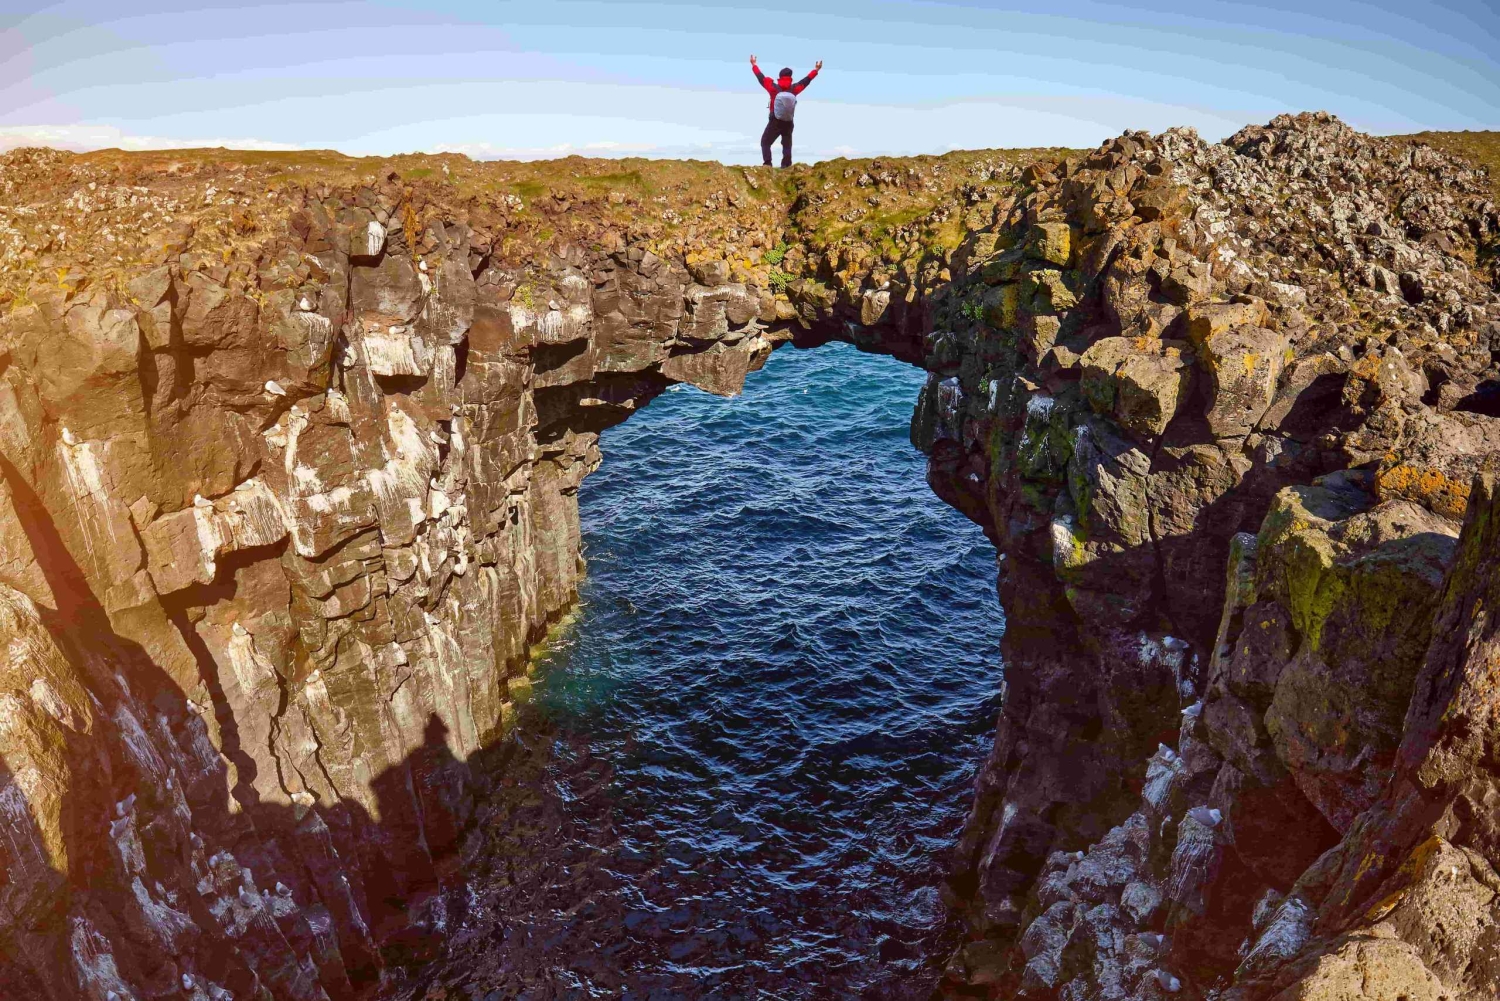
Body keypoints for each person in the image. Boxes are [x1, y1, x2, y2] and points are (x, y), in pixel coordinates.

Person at [751, 55, 822, 168]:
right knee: (787, 144)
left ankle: (767, 164)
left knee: (765, 142)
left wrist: (754, 64)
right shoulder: (794, 88)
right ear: (790, 77)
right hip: (788, 121)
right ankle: (787, 165)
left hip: (775, 120)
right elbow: (806, 80)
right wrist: (816, 70)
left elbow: (760, 77)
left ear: (780, 77)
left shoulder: (773, 87)